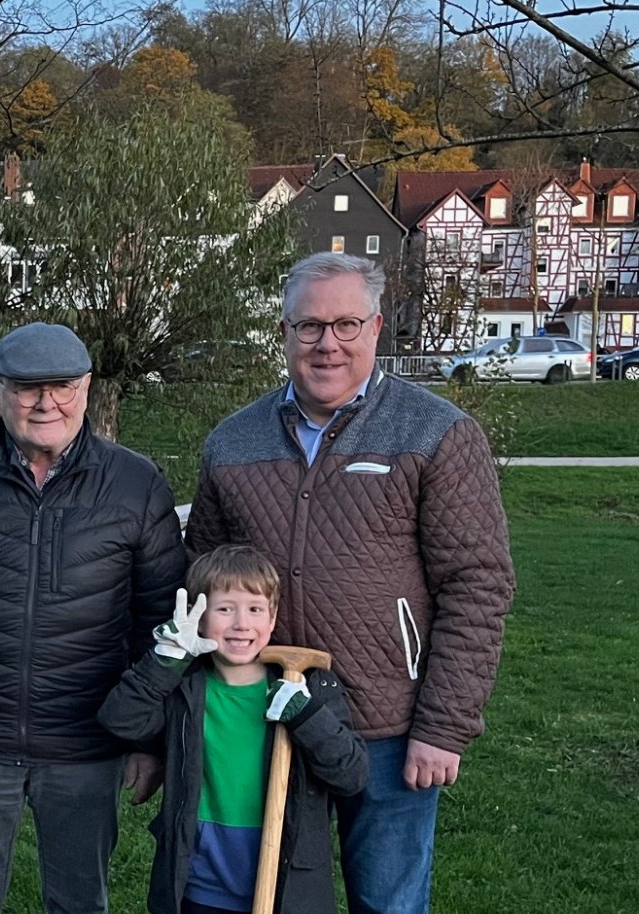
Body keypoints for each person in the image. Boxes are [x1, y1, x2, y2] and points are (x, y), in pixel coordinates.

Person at [185, 252, 515, 914]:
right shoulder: (232, 442)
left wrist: (445, 726)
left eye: (345, 324)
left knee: (387, 903)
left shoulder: (435, 432)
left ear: (376, 327)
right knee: (270, 900)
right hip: (267, 718)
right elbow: (201, 586)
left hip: (389, 728)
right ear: (283, 332)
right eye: (308, 327)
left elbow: (477, 584)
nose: (326, 344)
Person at [0, 322, 187, 914]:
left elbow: (160, 620)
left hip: (89, 741)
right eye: (27, 389)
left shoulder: (136, 485)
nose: (45, 403)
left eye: (62, 387)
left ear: (87, 388)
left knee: (79, 903)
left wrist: (149, 737)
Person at [97, 545, 367, 914]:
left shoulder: (307, 687)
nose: (241, 623)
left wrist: (306, 716)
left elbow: (352, 774)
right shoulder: (185, 690)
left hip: (285, 887)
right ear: (200, 616)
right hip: (200, 884)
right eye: (225, 609)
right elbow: (120, 719)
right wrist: (166, 661)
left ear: (272, 619)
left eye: (255, 609)